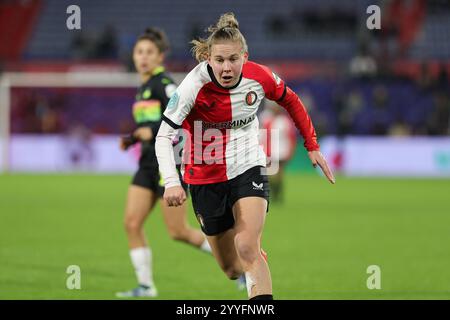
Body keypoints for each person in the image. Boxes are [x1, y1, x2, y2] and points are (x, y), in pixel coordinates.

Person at [155, 13, 335, 300]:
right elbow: (163, 136)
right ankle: (250, 265)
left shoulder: (258, 76)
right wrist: (171, 181)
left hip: (248, 165)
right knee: (230, 268)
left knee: (248, 247)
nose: (227, 67)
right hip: (204, 176)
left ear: (245, 57)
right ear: (209, 59)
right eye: (220, 60)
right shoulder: (192, 86)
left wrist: (311, 144)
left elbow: (290, 99)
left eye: (234, 59)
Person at [116, 28, 212, 298]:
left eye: (149, 52)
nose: (143, 57)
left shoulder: (164, 84)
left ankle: (237, 266)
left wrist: (150, 130)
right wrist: (134, 138)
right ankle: (146, 286)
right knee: (132, 223)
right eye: (139, 52)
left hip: (169, 164)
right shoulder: (143, 88)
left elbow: (181, 117)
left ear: (160, 57)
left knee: (178, 231)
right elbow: (149, 126)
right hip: (147, 162)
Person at [259, 100, 297, 203]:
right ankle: (274, 193)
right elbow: (260, 134)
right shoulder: (265, 117)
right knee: (269, 175)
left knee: (278, 174)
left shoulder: (284, 121)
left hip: (281, 151)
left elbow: (291, 137)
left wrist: (290, 151)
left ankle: (278, 194)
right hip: (267, 151)